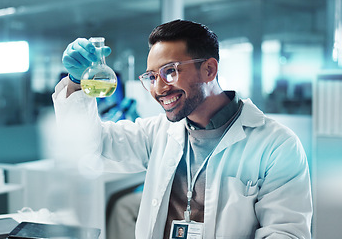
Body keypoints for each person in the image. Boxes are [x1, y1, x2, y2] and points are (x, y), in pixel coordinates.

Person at [53, 19, 312, 238]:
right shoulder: (157, 132)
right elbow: (88, 146)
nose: (159, 88)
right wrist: (76, 83)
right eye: (152, 77)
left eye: (170, 71)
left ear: (209, 69)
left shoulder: (277, 145)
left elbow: (285, 232)